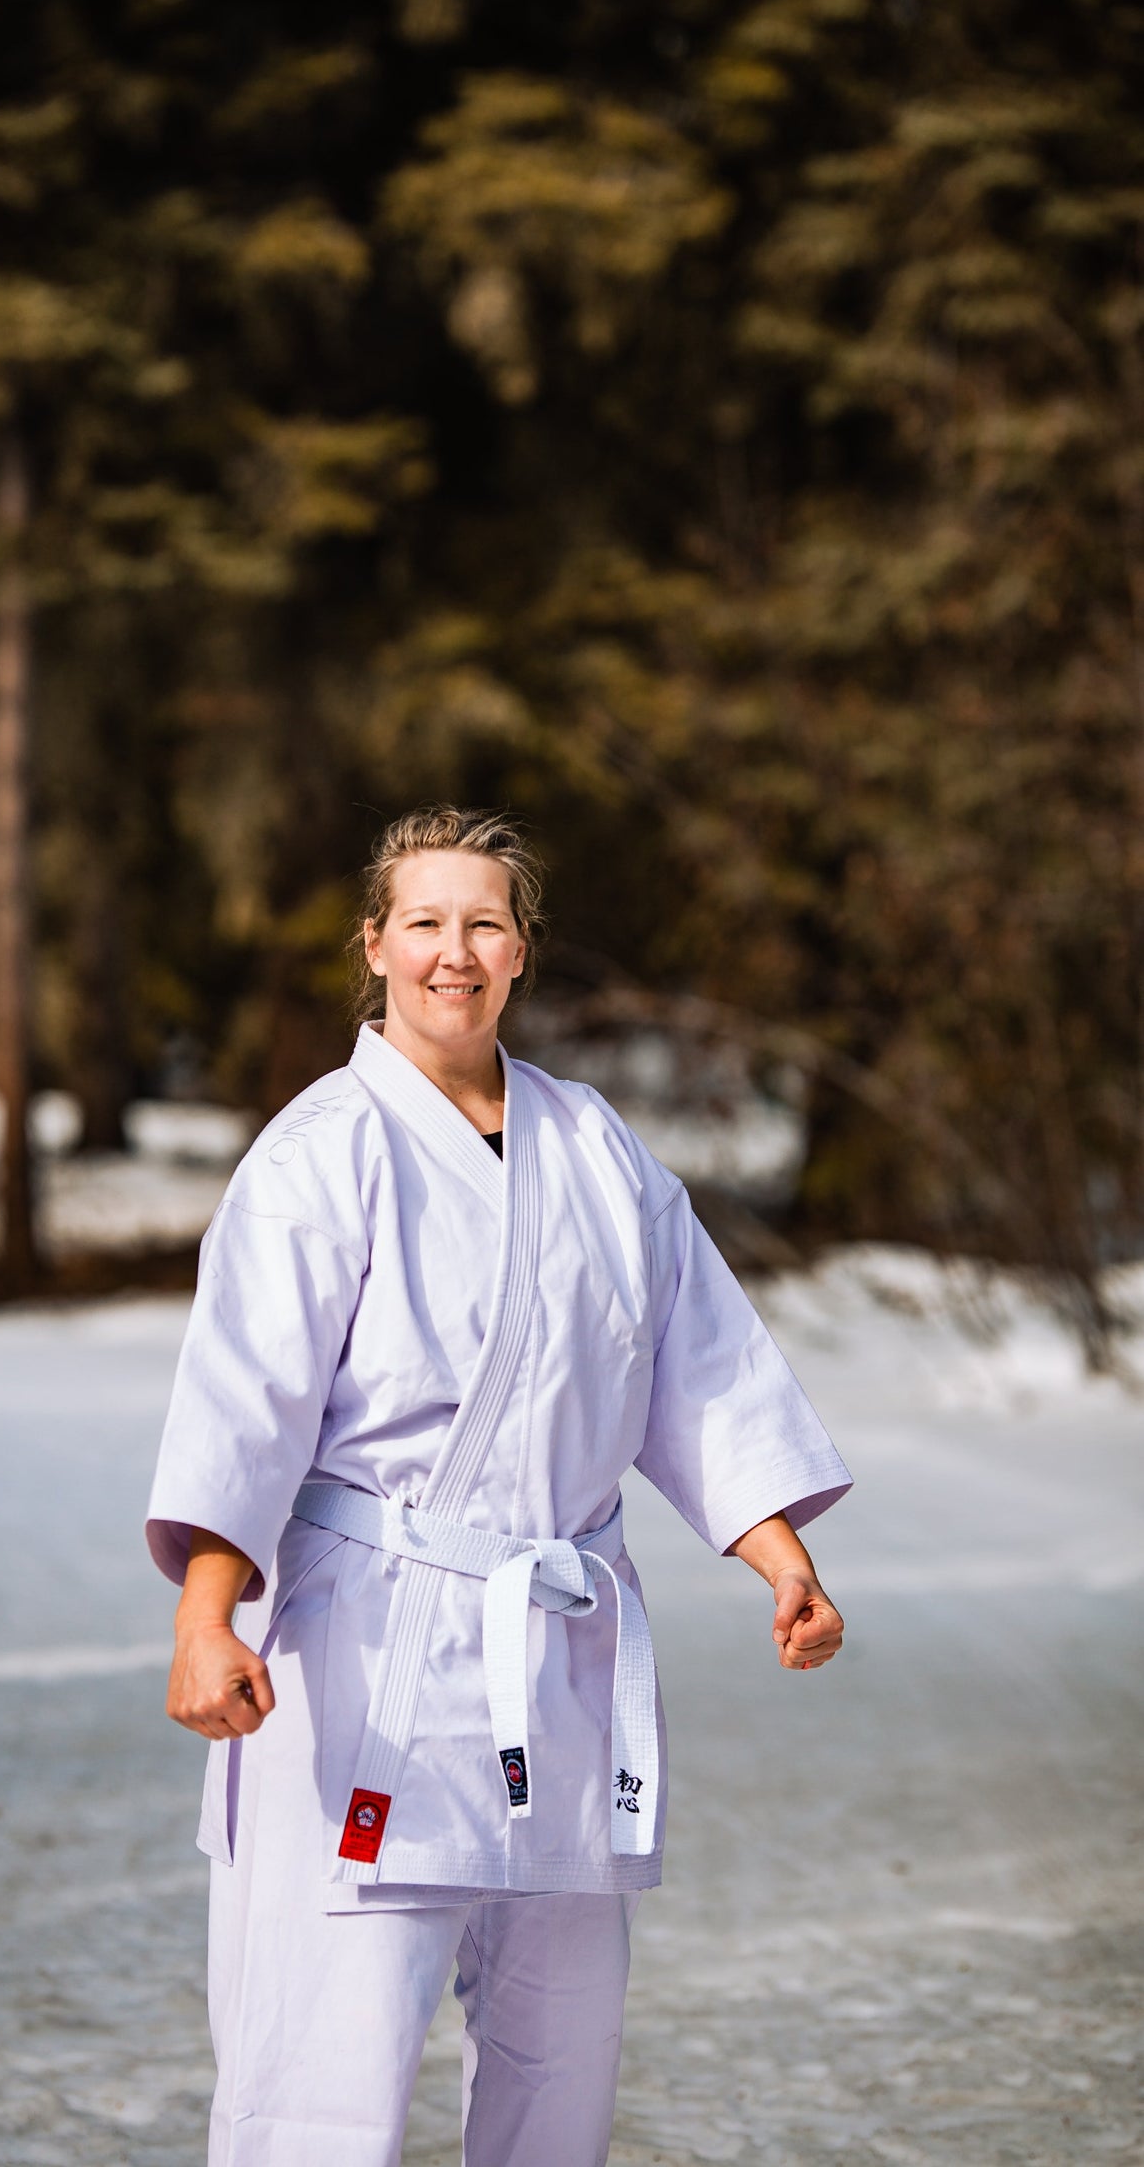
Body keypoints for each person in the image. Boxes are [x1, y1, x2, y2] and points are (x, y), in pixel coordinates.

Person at [147, 805, 850, 2167]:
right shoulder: (319, 1152)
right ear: (375, 944)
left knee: (558, 2070)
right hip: (370, 1663)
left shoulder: (595, 1151)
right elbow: (245, 1404)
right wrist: (204, 1617)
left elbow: (692, 1369)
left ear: (521, 952)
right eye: (423, 922)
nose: (451, 953)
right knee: (322, 2081)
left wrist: (780, 1559)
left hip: (561, 1666)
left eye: (483, 924)